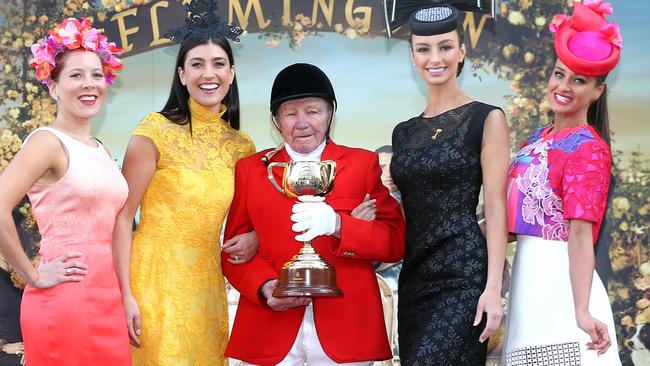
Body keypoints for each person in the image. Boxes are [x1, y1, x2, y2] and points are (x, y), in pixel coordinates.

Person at [222, 63, 405, 365]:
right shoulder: (251, 170)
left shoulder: (362, 164)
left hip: (346, 326)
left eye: (313, 111)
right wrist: (267, 288)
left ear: (331, 113)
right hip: (271, 326)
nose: (302, 123)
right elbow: (234, 252)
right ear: (275, 120)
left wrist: (337, 224)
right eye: (290, 113)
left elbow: (395, 242)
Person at [112, 19, 257, 365]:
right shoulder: (155, 129)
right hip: (151, 282)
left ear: (232, 73)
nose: (209, 74)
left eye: (218, 63)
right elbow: (120, 217)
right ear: (181, 75)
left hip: (207, 286)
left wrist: (255, 237)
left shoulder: (241, 145)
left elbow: (253, 217)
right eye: (197, 64)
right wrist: (123, 295)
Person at [0, 18, 130, 365]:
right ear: (53, 87)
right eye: (76, 75)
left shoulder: (99, 148)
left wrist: (126, 296)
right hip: (65, 302)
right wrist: (33, 274)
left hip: (108, 301)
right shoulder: (47, 142)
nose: (89, 84)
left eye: (96, 74)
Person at [389, 5, 510, 364]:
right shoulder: (404, 132)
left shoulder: (486, 118)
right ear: (412, 56)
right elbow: (406, 205)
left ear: (462, 51)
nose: (435, 58)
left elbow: (496, 207)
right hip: (415, 279)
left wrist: (492, 289)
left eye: (445, 46)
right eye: (424, 49)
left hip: (463, 277)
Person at [503, 2, 622, 364]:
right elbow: (512, 221)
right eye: (559, 74)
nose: (563, 86)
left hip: (562, 288)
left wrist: (582, 310)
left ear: (597, 91)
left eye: (579, 80)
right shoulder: (536, 140)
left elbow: (581, 234)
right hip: (527, 283)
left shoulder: (589, 149)